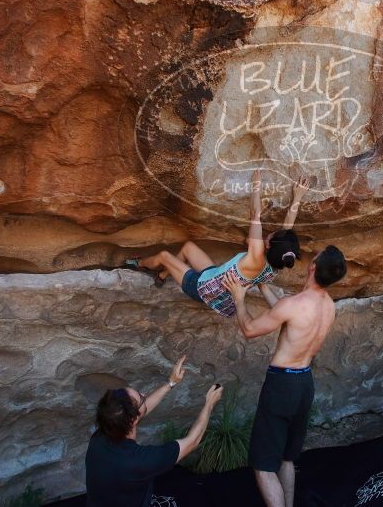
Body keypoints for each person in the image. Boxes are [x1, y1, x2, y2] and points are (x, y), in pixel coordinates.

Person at [223, 245, 347, 507]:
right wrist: (261, 285)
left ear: (313, 267)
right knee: (287, 458)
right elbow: (288, 316)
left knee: (263, 464)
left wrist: (238, 296)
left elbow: (250, 330)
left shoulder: (294, 305)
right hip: (304, 383)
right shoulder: (328, 305)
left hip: (282, 386)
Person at [124, 170, 310, 317]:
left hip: (199, 288)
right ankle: (164, 274)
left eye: (272, 235)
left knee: (164, 255)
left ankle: (138, 263)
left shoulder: (256, 253)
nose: (270, 234)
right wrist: (298, 198)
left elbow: (255, 215)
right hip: (216, 284)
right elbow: (286, 233)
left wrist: (256, 187)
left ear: (270, 244)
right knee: (188, 248)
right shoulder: (276, 266)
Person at [85, 356, 223, 507]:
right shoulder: (140, 460)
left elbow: (139, 412)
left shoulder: (100, 435)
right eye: (141, 398)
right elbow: (192, 441)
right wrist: (209, 404)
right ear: (132, 420)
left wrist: (171, 383)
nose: (144, 394)